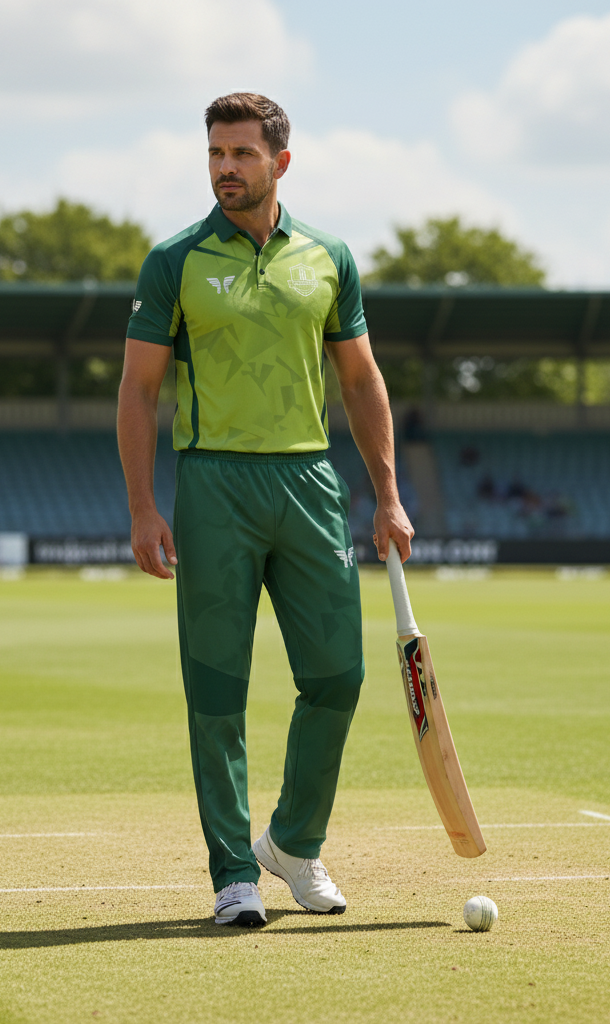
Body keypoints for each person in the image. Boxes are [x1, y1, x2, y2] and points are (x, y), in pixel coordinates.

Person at [117, 92, 413, 928]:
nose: (224, 168)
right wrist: (143, 507)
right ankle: (232, 873)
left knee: (338, 678)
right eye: (215, 153)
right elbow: (139, 392)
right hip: (212, 488)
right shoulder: (173, 260)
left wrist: (388, 495)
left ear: (280, 162)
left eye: (242, 154)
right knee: (217, 691)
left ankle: (293, 842)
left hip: (310, 486)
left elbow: (360, 380)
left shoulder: (328, 257)